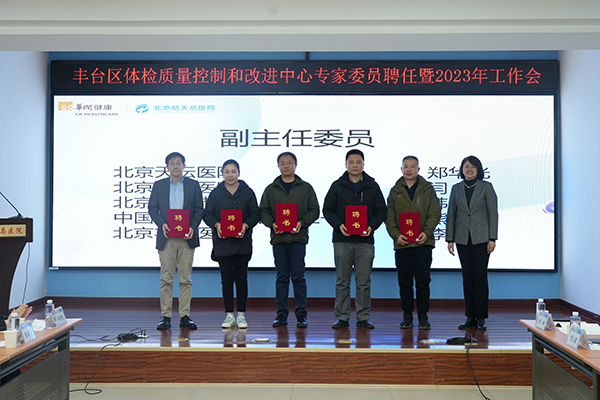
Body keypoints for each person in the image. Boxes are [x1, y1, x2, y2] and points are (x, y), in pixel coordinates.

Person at [323, 149, 387, 330]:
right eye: (351, 162)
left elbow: (381, 211)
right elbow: (327, 209)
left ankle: (363, 317)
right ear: (346, 165)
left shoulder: (372, 186)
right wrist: (339, 225)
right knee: (342, 281)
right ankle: (342, 317)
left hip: (365, 241)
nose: (355, 165)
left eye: (358, 162)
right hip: (342, 240)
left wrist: (371, 226)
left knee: (363, 282)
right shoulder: (337, 185)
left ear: (363, 165)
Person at [259, 152, 320, 328]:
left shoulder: (305, 188)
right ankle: (281, 315)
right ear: (278, 166)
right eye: (283, 163)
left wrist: (302, 222)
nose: (286, 166)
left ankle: (301, 315)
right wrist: (272, 224)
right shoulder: (271, 189)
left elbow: (314, 210)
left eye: (289, 163)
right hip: (279, 239)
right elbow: (263, 211)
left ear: (296, 165)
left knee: (299, 277)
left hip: (298, 238)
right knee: (282, 277)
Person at [149, 152, 204, 330]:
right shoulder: (159, 185)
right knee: (166, 278)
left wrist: (193, 227)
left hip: (187, 238)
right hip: (167, 238)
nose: (175, 166)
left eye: (178, 163)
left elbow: (199, 209)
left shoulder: (194, 185)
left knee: (185, 279)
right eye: (172, 163)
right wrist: (162, 224)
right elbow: (152, 208)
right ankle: (165, 316)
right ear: (167, 167)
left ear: (184, 166)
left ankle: (185, 316)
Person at [203, 159, 260, 329]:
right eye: (227, 171)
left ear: (239, 173)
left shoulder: (247, 192)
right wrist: (216, 224)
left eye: (233, 171)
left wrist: (246, 225)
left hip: (243, 243)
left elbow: (255, 214)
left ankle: (241, 315)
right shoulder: (216, 193)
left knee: (242, 280)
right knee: (226, 281)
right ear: (222, 174)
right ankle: (229, 315)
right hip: (223, 243)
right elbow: (207, 214)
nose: (230, 175)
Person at [386, 156, 441, 330]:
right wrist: (396, 235)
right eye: (406, 166)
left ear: (418, 169)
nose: (409, 169)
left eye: (413, 166)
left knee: (423, 281)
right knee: (405, 282)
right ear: (401, 169)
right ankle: (407, 315)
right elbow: (389, 217)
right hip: (402, 244)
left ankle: (423, 316)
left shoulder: (428, 189)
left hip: (423, 243)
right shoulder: (394, 191)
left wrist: (426, 232)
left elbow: (435, 212)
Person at [446, 156, 498, 331]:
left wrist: (492, 238)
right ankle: (470, 317)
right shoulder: (456, 188)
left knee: (480, 278)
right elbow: (451, 214)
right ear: (461, 169)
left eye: (473, 167)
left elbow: (493, 214)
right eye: (466, 166)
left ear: (478, 169)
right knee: (467, 278)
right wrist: (450, 239)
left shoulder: (486, 187)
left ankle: (481, 317)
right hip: (462, 238)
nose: (469, 169)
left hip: (481, 238)